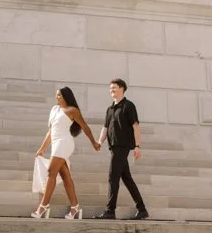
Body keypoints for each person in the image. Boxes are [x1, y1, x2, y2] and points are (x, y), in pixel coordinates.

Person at [32, 86, 100, 219]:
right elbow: (51, 132)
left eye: (59, 95)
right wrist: (42, 148)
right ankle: (75, 208)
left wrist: (94, 143)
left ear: (66, 97)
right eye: (56, 95)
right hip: (56, 144)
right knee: (65, 176)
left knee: (51, 172)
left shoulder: (72, 110)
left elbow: (85, 127)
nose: (57, 97)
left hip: (64, 143)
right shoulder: (54, 109)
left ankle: (43, 207)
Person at [96, 78, 149, 220]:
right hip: (113, 147)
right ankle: (142, 209)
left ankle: (110, 211)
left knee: (113, 177)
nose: (111, 90)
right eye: (110, 88)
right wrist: (99, 142)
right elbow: (105, 127)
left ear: (122, 89)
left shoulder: (128, 106)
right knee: (127, 179)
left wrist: (138, 146)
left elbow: (136, 126)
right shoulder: (110, 109)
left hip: (122, 146)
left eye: (114, 87)